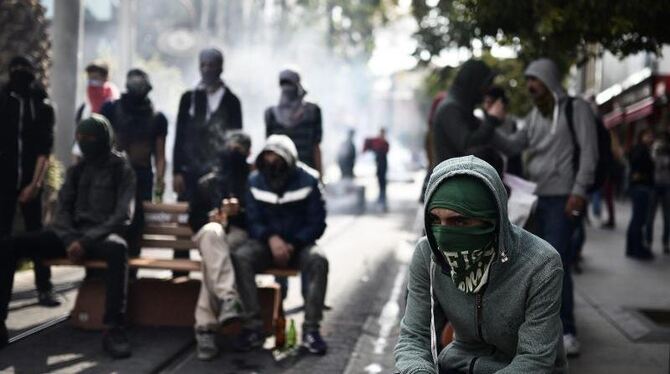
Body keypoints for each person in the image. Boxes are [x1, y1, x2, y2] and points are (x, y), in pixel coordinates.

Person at [394, 156, 566, 373]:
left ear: (491, 219)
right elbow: (413, 338)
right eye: (435, 221)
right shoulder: (427, 254)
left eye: (459, 221)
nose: (443, 236)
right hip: (458, 364)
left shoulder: (541, 265)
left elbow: (534, 360)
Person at [0, 115, 136, 358]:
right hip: (69, 238)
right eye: (81, 138)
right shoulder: (77, 170)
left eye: (90, 138)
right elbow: (61, 211)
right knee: (10, 245)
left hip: (100, 238)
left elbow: (122, 216)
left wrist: (85, 241)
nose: (85, 142)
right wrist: (70, 239)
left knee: (118, 250)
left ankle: (114, 328)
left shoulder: (121, 170)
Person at [491, 58, 599, 356]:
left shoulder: (575, 109)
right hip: (536, 199)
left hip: (563, 198)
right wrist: (487, 124)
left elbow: (590, 152)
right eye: (528, 82)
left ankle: (568, 330)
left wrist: (579, 190)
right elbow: (512, 145)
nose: (529, 87)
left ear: (549, 79)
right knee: (536, 265)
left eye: (534, 80)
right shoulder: (534, 116)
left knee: (556, 264)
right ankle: (544, 329)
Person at [232, 135, 329, 355]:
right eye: (267, 154)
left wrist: (293, 243)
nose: (271, 160)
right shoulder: (255, 181)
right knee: (241, 257)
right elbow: (253, 220)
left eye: (276, 155)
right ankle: (253, 328)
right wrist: (271, 238)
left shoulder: (309, 180)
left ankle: (311, 331)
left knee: (318, 260)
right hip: (267, 244)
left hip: (300, 245)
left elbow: (318, 223)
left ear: (289, 158)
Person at [173, 48, 243, 275]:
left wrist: (231, 179)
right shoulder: (189, 98)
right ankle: (179, 277)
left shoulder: (231, 101)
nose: (207, 69)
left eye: (212, 65)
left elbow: (236, 143)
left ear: (220, 67)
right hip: (190, 174)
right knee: (183, 227)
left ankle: (216, 276)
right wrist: (176, 171)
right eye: (203, 65)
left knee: (217, 226)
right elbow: (179, 137)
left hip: (218, 177)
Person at [0, 56, 58, 307]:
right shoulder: (3, 101)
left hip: (30, 181)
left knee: (35, 234)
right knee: (3, 238)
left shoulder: (42, 107)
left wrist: (34, 185)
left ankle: (44, 287)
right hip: (3, 181)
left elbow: (44, 151)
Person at [188, 131, 252, 360]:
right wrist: (212, 217)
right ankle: (229, 299)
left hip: (238, 235)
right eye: (231, 147)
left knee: (212, 259)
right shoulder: (208, 183)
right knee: (211, 235)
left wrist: (239, 212)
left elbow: (258, 220)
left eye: (240, 149)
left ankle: (205, 328)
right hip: (211, 235)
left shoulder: (252, 181)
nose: (234, 153)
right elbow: (194, 221)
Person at [101, 69, 167, 268]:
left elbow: (160, 154)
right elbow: (101, 143)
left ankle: (131, 274)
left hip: (141, 177)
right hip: (113, 175)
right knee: (109, 222)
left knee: (135, 227)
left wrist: (159, 184)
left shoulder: (157, 117)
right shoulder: (111, 109)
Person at [429, 59, 504, 167]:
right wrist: (491, 120)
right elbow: (468, 146)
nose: (486, 91)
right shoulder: (451, 109)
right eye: (486, 85)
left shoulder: (461, 107)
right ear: (475, 83)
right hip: (451, 181)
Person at [265, 69, 323, 174]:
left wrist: (319, 175)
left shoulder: (312, 111)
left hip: (307, 172)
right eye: (284, 83)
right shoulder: (271, 114)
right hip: (280, 174)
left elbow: (316, 147)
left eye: (289, 83)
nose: (287, 88)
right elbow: (269, 150)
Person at [72, 60, 120, 163]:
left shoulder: (114, 105)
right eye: (90, 79)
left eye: (95, 79)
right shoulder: (85, 109)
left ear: (105, 79)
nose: (92, 84)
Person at [627, 128, 655, 260]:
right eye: (647, 135)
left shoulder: (641, 149)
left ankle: (632, 247)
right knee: (638, 220)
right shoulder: (641, 150)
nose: (650, 138)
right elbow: (637, 167)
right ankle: (636, 248)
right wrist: (639, 175)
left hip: (640, 188)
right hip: (641, 188)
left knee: (636, 219)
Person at [646, 131, 670, 255]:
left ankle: (665, 243)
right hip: (655, 185)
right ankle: (649, 242)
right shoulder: (654, 148)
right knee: (651, 216)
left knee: (667, 217)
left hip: (666, 185)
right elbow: (652, 162)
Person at [364, 128, 390, 209]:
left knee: (382, 182)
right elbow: (368, 143)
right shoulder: (379, 142)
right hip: (379, 165)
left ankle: (382, 198)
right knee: (380, 181)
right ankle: (381, 198)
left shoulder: (384, 143)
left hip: (382, 165)